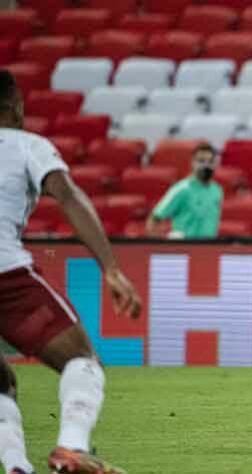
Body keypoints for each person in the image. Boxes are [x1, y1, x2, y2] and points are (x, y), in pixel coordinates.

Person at [0, 69, 142, 473]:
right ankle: (71, 449)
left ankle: (15, 467)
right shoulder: (28, 145)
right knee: (82, 360)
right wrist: (111, 268)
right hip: (5, 275)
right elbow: (67, 193)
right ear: (17, 106)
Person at [145, 143, 223, 239]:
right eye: (201, 161)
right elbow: (154, 219)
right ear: (193, 162)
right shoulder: (181, 189)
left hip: (209, 249)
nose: (206, 165)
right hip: (186, 248)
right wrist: (162, 246)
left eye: (210, 161)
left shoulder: (217, 190)